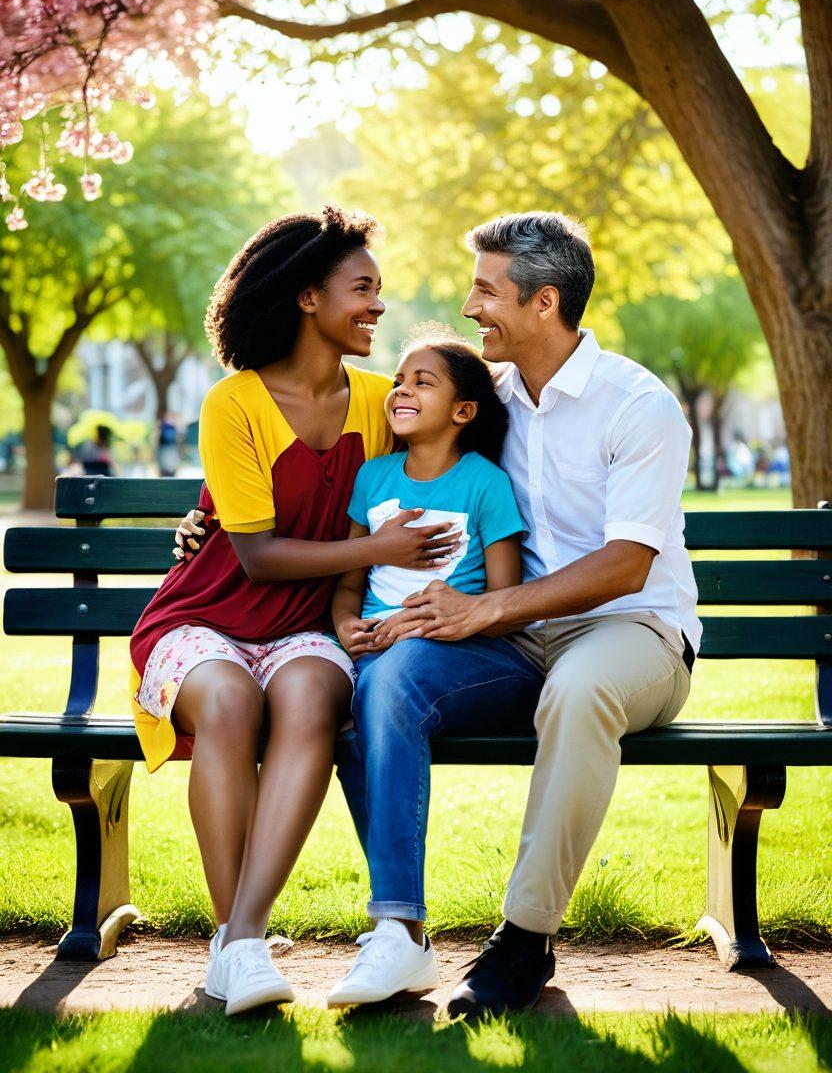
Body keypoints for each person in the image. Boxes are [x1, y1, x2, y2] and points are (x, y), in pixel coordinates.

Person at [129, 207, 459, 1017]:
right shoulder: (234, 402)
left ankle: (237, 942)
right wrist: (376, 555)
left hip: (303, 631)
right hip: (200, 619)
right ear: (308, 298)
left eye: (379, 290)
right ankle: (238, 941)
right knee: (233, 700)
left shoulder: (387, 403)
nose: (379, 306)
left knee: (315, 696)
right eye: (363, 289)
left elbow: (464, 437)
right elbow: (258, 555)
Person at [391, 211, 700, 1017]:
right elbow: (369, 416)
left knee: (580, 688)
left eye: (486, 291)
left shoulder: (638, 404)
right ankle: (395, 929)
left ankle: (523, 941)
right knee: (394, 679)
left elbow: (628, 564)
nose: (469, 308)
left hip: (634, 635)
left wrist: (489, 606)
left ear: (544, 302)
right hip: (516, 640)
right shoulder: (483, 399)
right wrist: (211, 515)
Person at [325, 330, 542, 1006]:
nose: (403, 390)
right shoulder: (374, 478)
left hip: (477, 663)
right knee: (355, 711)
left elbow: (503, 606)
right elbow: (350, 583)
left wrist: (422, 623)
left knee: (397, 671)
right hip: (383, 667)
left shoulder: (484, 483)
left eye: (424, 381)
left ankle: (395, 927)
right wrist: (344, 628)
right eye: (399, 379)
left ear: (464, 410)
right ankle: (404, 935)